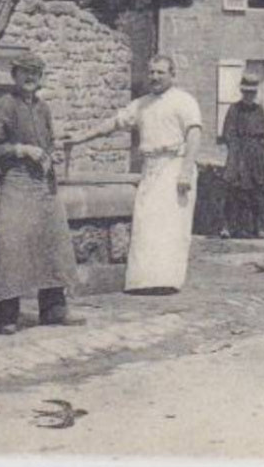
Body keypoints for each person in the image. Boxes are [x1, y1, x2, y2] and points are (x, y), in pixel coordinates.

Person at [66, 55, 202, 293]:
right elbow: (113, 124)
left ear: (172, 74)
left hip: (175, 165)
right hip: (151, 168)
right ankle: (145, 281)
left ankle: (167, 281)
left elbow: (194, 135)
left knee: (172, 226)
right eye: (152, 72)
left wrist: (186, 171)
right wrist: (80, 138)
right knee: (146, 223)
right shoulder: (141, 104)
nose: (155, 77)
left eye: (161, 72)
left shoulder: (184, 101)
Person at [0, 53, 81, 334]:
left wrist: (51, 156)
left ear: (41, 78)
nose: (30, 78)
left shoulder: (43, 108)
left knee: (53, 243)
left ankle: (53, 309)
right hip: (17, 181)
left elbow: (48, 143)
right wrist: (21, 150)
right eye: (25, 72)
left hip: (43, 184)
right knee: (11, 246)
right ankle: (8, 316)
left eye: (35, 73)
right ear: (14, 76)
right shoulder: (5, 106)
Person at [216, 75, 264, 238]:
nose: (249, 96)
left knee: (258, 192)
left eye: (252, 93)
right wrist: (237, 155)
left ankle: (258, 228)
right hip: (238, 154)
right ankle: (227, 227)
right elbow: (228, 134)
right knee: (233, 191)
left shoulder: (259, 110)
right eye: (246, 92)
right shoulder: (234, 109)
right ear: (242, 92)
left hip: (257, 154)